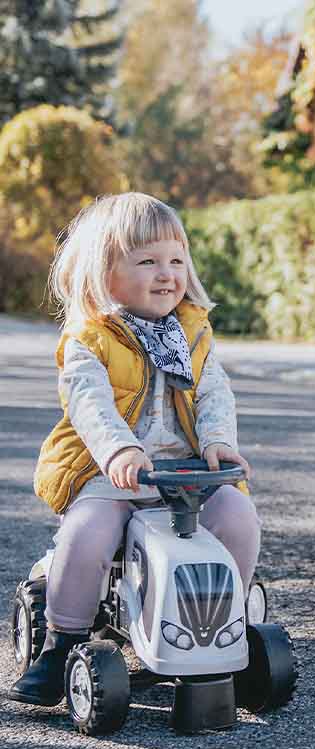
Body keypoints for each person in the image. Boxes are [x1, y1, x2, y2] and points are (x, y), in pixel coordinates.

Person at [10, 193, 261, 707]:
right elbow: (89, 403)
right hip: (112, 472)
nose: (166, 273)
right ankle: (63, 641)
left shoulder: (192, 332)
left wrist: (218, 443)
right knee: (89, 532)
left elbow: (213, 393)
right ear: (104, 273)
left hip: (185, 469)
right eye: (146, 261)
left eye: (175, 259)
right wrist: (119, 450)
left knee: (237, 512)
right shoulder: (91, 339)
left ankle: (220, 622)